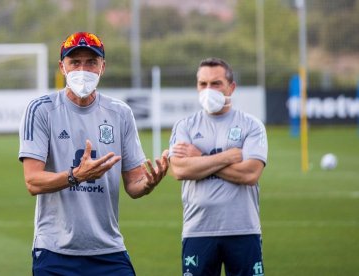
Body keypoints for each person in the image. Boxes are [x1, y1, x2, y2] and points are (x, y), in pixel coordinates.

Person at [18, 31, 169, 276]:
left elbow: (134, 184)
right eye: (75, 62)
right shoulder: (41, 110)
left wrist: (149, 183)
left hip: (108, 250)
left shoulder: (120, 113)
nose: (83, 69)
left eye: (91, 62)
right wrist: (76, 175)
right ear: (62, 67)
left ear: (103, 67)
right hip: (55, 251)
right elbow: (32, 181)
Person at [169, 57, 268, 276]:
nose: (208, 90)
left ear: (231, 87)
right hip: (198, 231)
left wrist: (200, 158)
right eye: (203, 84)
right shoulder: (184, 126)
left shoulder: (251, 125)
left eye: (216, 84)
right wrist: (228, 157)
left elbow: (250, 173)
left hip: (243, 229)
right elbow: (181, 170)